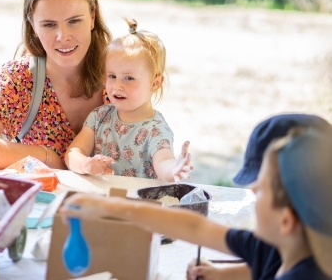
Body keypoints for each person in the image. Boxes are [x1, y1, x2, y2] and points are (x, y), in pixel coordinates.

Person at [63, 126, 332, 280]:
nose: (250, 190)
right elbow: (196, 228)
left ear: (286, 221)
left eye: (258, 191)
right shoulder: (279, 248)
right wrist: (110, 207)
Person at [0, 0, 113, 170]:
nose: (63, 36)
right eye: (49, 25)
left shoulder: (119, 72)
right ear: (33, 27)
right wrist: (45, 156)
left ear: (92, 18)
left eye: (74, 21)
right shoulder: (18, 79)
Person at [186, 113, 332, 280]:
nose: (252, 189)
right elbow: (270, 264)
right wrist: (220, 274)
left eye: (263, 184)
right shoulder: (303, 240)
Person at [64, 18, 192, 181]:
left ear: (155, 83)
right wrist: (85, 164)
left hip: (138, 204)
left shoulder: (155, 129)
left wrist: (174, 169)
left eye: (129, 78)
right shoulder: (99, 117)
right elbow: (73, 152)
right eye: (112, 76)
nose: (117, 86)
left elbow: (164, 161)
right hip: (101, 202)